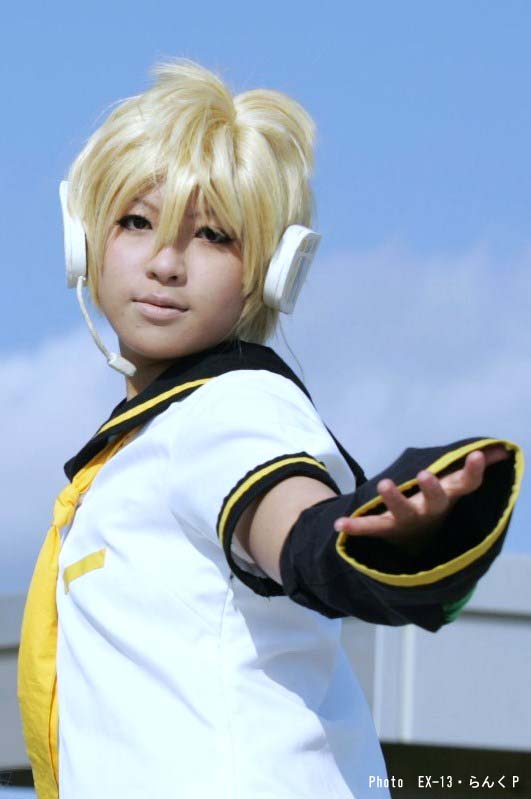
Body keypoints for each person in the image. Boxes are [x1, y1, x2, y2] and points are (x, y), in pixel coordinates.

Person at [17, 59, 523, 799]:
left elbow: (297, 528)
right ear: (83, 237)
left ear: (273, 271)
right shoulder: (141, 444)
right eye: (136, 222)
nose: (165, 262)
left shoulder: (231, 407)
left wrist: (387, 540)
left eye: (212, 235)